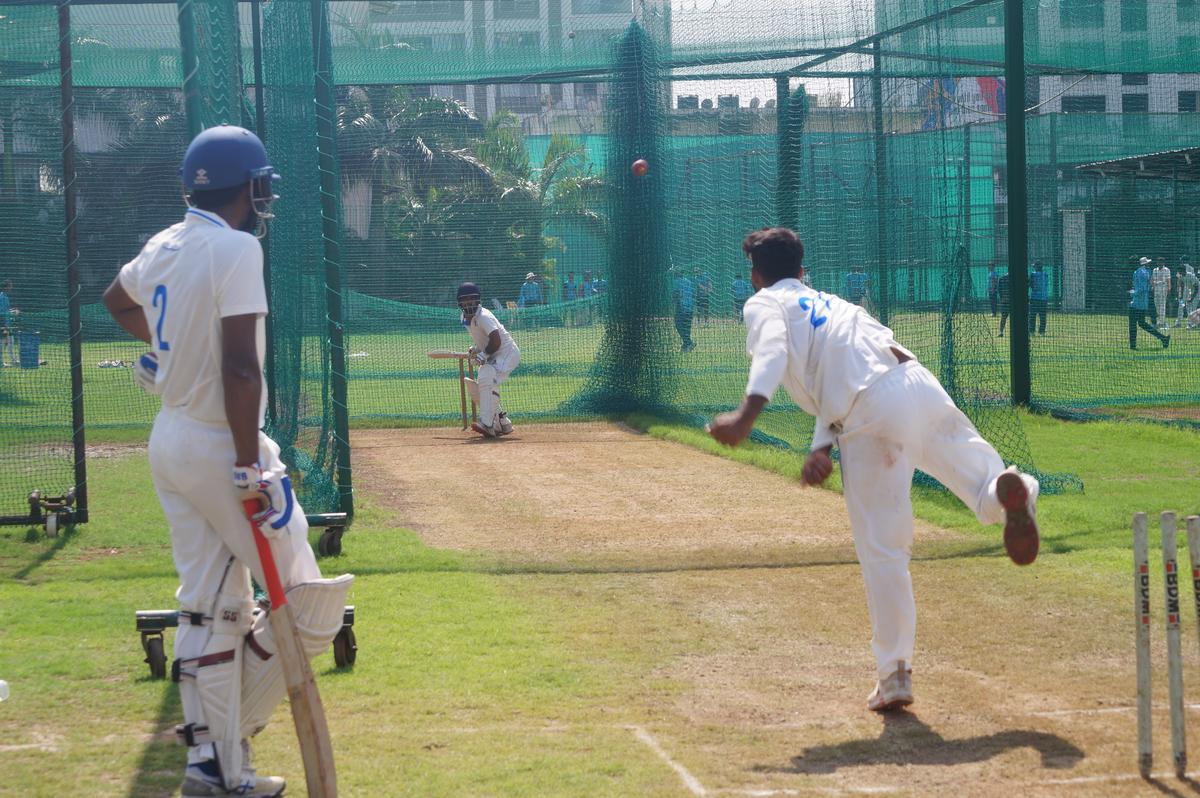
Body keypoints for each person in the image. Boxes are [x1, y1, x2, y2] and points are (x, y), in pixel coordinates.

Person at [100, 124, 352, 798]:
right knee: (313, 604)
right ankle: (225, 738)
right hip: (221, 441)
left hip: (170, 439)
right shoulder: (235, 248)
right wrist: (249, 464)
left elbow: (115, 299)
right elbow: (241, 367)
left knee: (212, 608)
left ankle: (213, 768)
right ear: (253, 187)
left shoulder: (166, 242)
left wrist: (164, 349)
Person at [707, 227, 1040, 712]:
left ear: (757, 276)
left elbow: (775, 353)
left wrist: (746, 416)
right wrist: (822, 445)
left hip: (868, 415)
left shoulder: (763, 304)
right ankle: (1015, 491)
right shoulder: (832, 303)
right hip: (914, 382)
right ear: (802, 272)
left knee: (884, 550)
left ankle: (895, 673)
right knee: (983, 480)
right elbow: (840, 369)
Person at [458, 281, 520, 438]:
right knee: (485, 380)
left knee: (487, 378)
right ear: (459, 302)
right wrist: (476, 349)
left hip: (507, 353)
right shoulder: (464, 319)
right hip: (494, 353)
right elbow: (484, 340)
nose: (468, 303)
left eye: (471, 299)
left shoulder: (484, 316)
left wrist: (482, 355)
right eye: (464, 300)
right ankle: (503, 422)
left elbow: (496, 340)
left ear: (477, 300)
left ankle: (488, 424)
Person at [1130, 256, 1170, 350]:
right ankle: (1163, 338)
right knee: (1142, 323)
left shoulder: (1140, 272)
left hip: (1137, 303)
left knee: (1132, 324)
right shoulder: (1146, 271)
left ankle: (1133, 346)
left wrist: (1132, 293)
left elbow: (1142, 288)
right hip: (1143, 302)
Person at [671, 267, 696, 352]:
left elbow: (676, 294)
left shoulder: (676, 282)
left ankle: (689, 342)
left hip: (681, 307)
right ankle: (685, 346)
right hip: (690, 307)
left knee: (678, 325)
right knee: (686, 327)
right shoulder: (688, 281)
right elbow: (692, 294)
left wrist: (673, 304)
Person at [1028, 261, 1048, 336]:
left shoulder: (1033, 274)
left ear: (1036, 267)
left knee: (1032, 315)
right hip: (1044, 297)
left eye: (1034, 266)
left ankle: (1031, 331)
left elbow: (1030, 284)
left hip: (1035, 297)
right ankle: (1042, 332)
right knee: (1043, 316)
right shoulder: (1045, 274)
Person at [1178, 259, 1199, 328]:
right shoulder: (1181, 276)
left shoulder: (1190, 275)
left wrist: (1192, 298)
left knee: (1193, 307)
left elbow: (1196, 288)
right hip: (1191, 291)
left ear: (1183, 270)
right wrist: (1181, 296)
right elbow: (1182, 285)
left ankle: (1192, 324)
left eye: (1180, 271)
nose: (1179, 272)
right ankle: (1191, 324)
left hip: (1198, 291)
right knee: (1188, 307)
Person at [0, 279, 16, 367]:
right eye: (10, 286)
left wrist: (11, 311)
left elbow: (5, 311)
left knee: (10, 342)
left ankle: (13, 361)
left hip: (7, 324)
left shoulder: (5, 297)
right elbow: (2, 312)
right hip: (3, 324)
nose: (11, 287)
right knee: (2, 343)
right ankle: (1, 363)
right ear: (6, 287)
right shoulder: (2, 298)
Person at [1152, 258, 1173, 329]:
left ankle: (1162, 322)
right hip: (1157, 288)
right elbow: (1153, 280)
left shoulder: (1167, 270)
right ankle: (1159, 321)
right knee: (1156, 305)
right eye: (1158, 262)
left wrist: (1169, 289)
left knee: (1162, 305)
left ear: (1163, 262)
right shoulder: (1155, 270)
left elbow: (1168, 280)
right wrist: (1153, 288)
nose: (1159, 263)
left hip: (1164, 288)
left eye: (1161, 262)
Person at [996, 269, 1011, 337]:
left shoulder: (1002, 278)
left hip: (1005, 301)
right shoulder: (1016, 278)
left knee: (1003, 317)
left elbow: (999, 290)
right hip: (1011, 301)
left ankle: (1001, 332)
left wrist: (1002, 298)